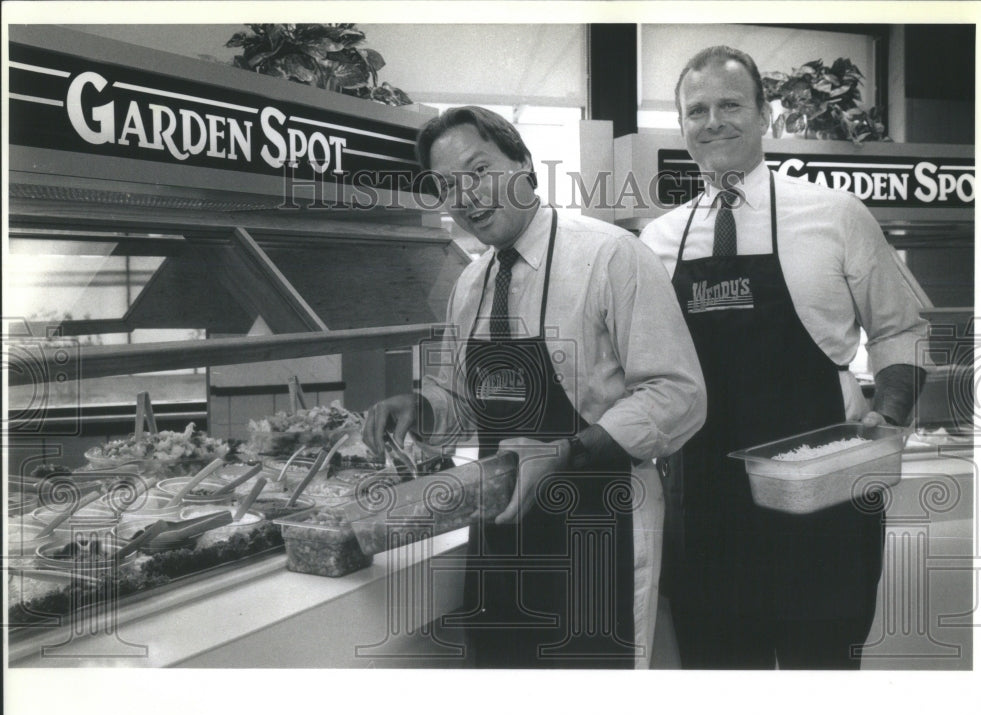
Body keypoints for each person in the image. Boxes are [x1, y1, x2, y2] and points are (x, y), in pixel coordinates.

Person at [362, 106, 706, 669]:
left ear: (524, 164)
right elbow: (467, 405)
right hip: (502, 543)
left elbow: (679, 395)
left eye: (478, 170)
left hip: (600, 532)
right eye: (448, 185)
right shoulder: (471, 284)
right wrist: (422, 409)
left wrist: (568, 451)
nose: (467, 195)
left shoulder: (610, 256)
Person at [640, 46, 929, 669]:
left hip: (823, 504)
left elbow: (898, 327)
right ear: (682, 125)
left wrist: (895, 410)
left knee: (819, 696)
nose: (713, 120)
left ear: (765, 116)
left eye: (730, 105)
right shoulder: (657, 239)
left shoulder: (837, 216)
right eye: (697, 109)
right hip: (708, 516)